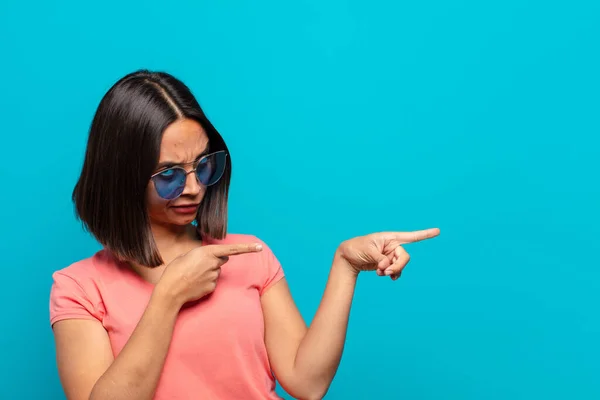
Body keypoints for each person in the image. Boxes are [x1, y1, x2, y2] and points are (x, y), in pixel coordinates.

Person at [49, 70, 440, 400]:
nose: (194, 188)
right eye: (168, 175)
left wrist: (346, 265)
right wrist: (168, 297)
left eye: (203, 166)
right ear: (121, 178)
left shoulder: (248, 255)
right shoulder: (79, 289)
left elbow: (307, 382)